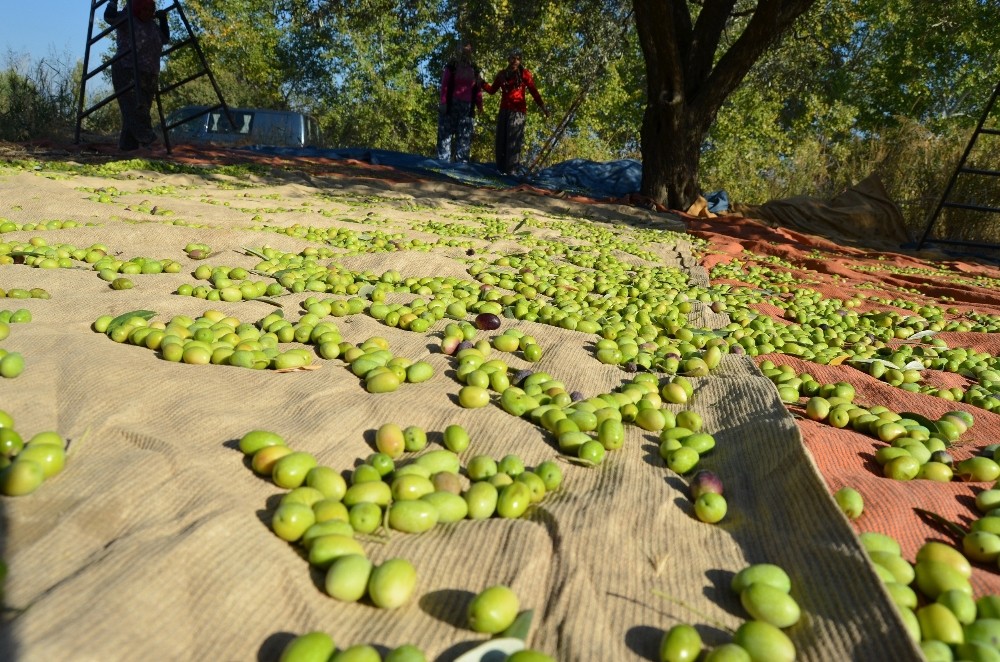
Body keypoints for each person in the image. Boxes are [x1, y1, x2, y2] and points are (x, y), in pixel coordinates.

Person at [104, 0, 170, 151]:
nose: (147, 12)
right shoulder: (127, 19)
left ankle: (128, 146)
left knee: (142, 108)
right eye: (144, 9)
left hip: (149, 72)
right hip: (127, 69)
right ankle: (147, 138)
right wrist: (113, 1)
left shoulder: (152, 25)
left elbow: (165, 39)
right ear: (137, 9)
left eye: (150, 9)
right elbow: (109, 17)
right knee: (134, 107)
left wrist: (163, 19)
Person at [482, 50, 549, 176]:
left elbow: (534, 91)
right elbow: (492, 90)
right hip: (504, 111)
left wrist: (543, 107)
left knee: (513, 143)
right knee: (501, 140)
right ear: (508, 59)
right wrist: (480, 82)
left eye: (518, 58)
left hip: (518, 112)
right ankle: (500, 171)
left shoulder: (525, 74)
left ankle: (511, 172)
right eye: (513, 58)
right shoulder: (502, 74)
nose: (515, 61)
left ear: (520, 60)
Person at [436, 43, 485, 163]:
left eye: (467, 51)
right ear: (458, 51)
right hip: (451, 104)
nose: (465, 53)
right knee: (445, 134)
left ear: (470, 53)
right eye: (463, 51)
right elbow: (445, 85)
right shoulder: (452, 66)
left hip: (467, 107)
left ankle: (461, 165)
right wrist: (443, 102)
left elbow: (478, 88)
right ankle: (443, 162)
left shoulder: (474, 68)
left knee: (464, 136)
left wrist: (479, 105)